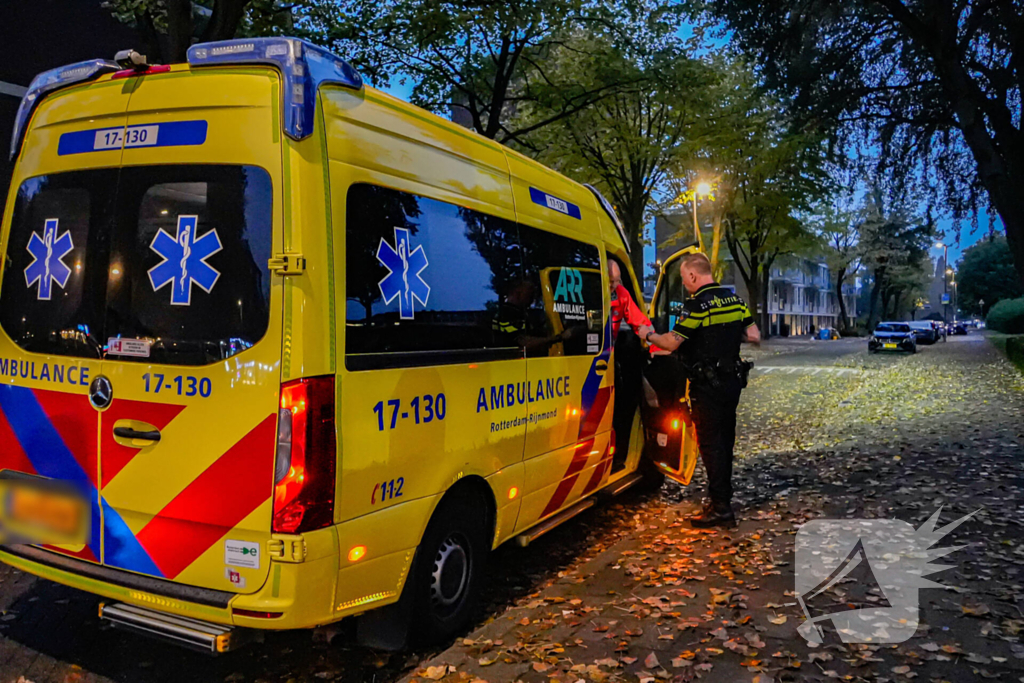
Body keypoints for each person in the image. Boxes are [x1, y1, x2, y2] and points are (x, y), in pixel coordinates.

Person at [638, 253, 760, 528]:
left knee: (710, 445)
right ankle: (721, 498)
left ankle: (721, 509)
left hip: (707, 386)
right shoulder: (736, 301)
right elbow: (754, 336)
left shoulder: (697, 306)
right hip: (732, 384)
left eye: (683, 279)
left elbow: (671, 343)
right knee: (725, 443)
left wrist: (647, 335)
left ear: (693, 276)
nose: (684, 284)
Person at [608, 259, 651, 470]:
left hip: (608, 358)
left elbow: (639, 320)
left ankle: (616, 457)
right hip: (589, 357)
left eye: (616, 281)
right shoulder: (592, 291)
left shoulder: (621, 294)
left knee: (619, 408)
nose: (613, 286)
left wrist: (656, 343)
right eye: (610, 281)